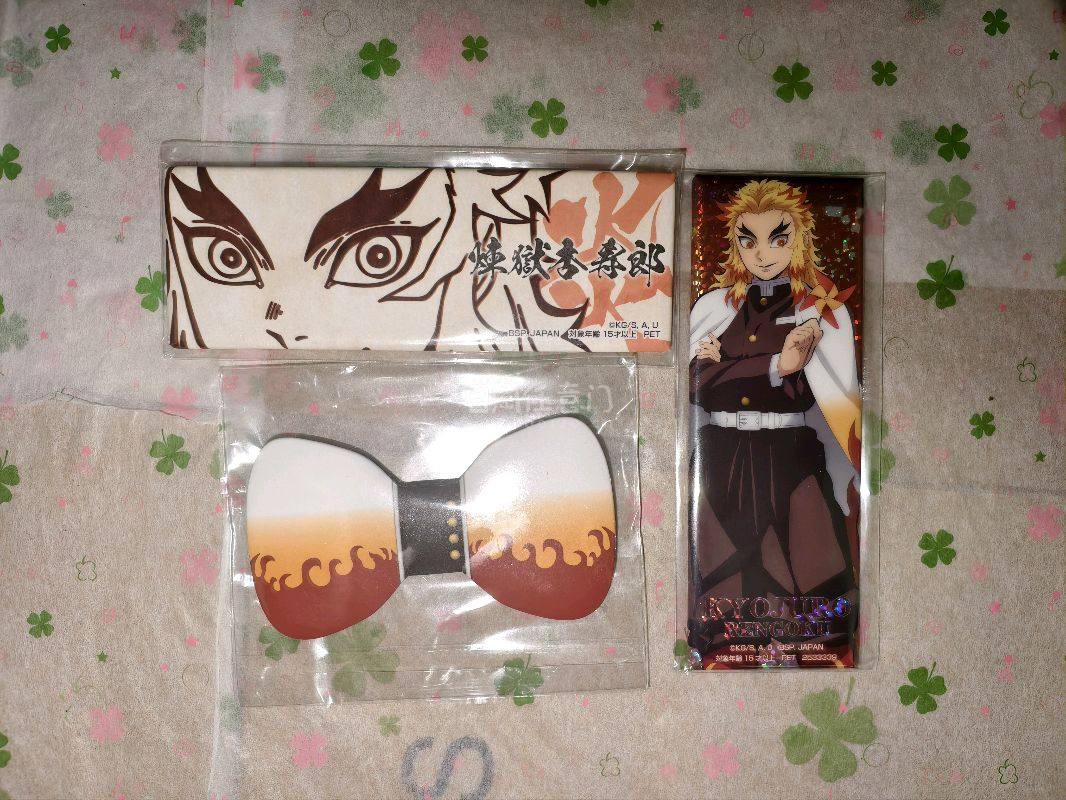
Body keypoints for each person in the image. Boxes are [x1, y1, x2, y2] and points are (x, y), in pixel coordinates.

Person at [686, 178, 861, 662]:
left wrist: (727, 366)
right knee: (724, 568)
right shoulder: (715, 308)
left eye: (777, 238)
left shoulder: (820, 312)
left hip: (789, 454)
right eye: (748, 240)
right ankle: (727, 648)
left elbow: (828, 392)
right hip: (722, 453)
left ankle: (813, 649)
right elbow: (697, 384)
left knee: (807, 564)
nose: (762, 253)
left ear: (799, 240)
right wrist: (775, 366)